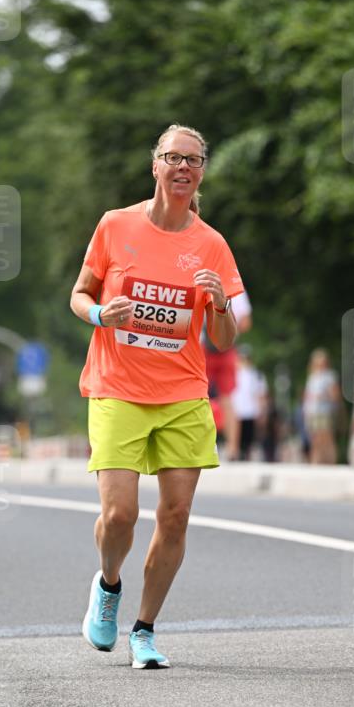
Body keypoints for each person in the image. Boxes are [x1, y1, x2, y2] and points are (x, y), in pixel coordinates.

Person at [70, 124, 244, 669]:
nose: (182, 168)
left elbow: (224, 339)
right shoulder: (115, 225)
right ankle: (109, 582)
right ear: (155, 167)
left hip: (183, 393)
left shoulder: (211, 244)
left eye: (192, 161)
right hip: (117, 387)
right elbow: (79, 294)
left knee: (176, 515)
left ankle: (144, 629)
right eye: (172, 157)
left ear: (201, 173)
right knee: (120, 515)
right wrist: (100, 313)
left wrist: (219, 306)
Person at [203, 290, 252, 459]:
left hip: (215, 349)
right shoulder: (235, 289)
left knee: (205, 398)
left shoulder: (205, 284)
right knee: (226, 400)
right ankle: (232, 448)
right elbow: (245, 321)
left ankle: (229, 448)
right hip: (222, 349)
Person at [302, 348, 341, 464]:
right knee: (315, 439)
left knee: (327, 438)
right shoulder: (312, 376)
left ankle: (331, 462)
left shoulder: (330, 376)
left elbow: (335, 396)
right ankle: (317, 462)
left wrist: (323, 397)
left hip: (325, 411)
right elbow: (308, 396)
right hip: (312, 411)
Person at [232, 345, 268, 461]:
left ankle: (245, 455)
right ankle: (236, 453)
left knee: (248, 437)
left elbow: (261, 393)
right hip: (236, 410)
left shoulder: (256, 375)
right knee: (237, 436)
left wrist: (262, 410)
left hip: (250, 411)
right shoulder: (234, 373)